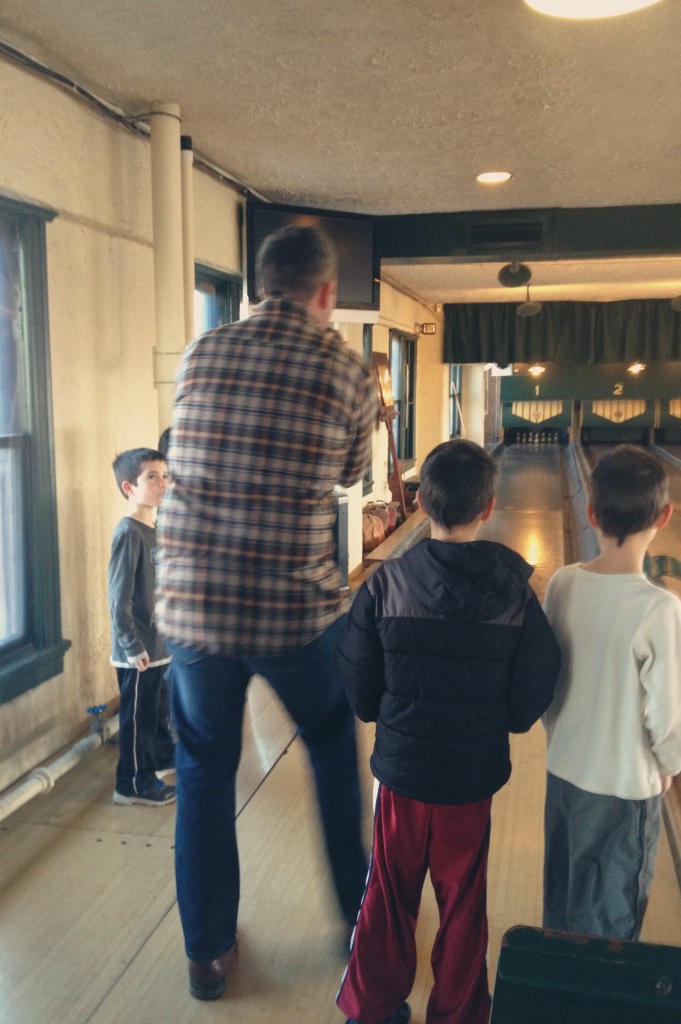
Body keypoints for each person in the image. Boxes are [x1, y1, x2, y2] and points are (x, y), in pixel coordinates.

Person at [155, 225, 379, 1001]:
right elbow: (351, 471)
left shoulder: (201, 352)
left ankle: (207, 954)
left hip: (193, 608)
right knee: (329, 748)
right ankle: (360, 922)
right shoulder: (346, 369)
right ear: (325, 294)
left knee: (203, 771)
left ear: (257, 287)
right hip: (294, 612)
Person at [335, 439, 561, 1024]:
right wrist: (506, 722)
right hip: (470, 780)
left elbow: (358, 682)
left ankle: (372, 1005)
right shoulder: (512, 589)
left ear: (420, 502)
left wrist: (379, 714)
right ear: (487, 507)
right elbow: (538, 675)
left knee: (388, 893)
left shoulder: (385, 585)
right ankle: (459, 1013)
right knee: (464, 901)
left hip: (403, 776)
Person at [542, 444, 681, 940]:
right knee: (611, 928)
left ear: (591, 514)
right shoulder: (658, 608)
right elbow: (672, 718)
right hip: (625, 795)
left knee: (561, 915)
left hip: (563, 778)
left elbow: (549, 682)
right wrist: (669, 765)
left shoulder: (563, 584)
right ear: (665, 516)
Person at [108, 448, 176, 806]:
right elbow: (118, 599)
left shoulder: (155, 527)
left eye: (164, 475)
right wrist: (132, 647)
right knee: (138, 718)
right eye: (152, 477)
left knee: (158, 711)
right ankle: (132, 782)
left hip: (160, 644)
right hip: (139, 650)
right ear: (128, 487)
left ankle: (162, 758)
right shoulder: (129, 534)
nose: (162, 483)